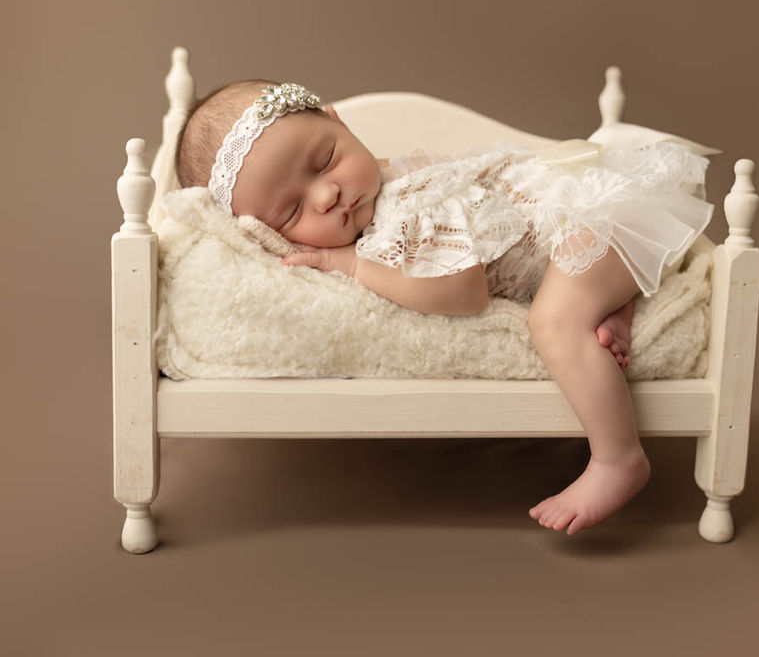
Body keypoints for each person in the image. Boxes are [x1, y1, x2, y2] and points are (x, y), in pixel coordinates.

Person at [175, 79, 714, 536]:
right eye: (292, 211)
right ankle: (616, 299)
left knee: (553, 321)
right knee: (568, 291)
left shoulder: (406, 203)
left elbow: (464, 291)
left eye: (325, 160)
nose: (326, 196)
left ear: (339, 122)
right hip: (583, 234)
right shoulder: (380, 193)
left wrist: (353, 265)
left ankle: (618, 459)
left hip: (594, 213)